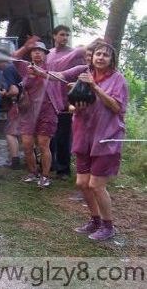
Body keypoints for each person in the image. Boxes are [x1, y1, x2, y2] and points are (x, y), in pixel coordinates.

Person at [34, 42, 128, 240]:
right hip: (84, 136)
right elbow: (72, 106)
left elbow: (117, 107)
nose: (101, 57)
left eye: (106, 55)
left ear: (112, 60)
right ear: (92, 57)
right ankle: (95, 220)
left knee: (96, 184)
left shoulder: (117, 80)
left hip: (106, 138)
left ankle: (109, 226)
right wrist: (75, 107)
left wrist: (94, 87)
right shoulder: (84, 74)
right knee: (83, 183)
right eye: (98, 54)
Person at [13, 41, 60, 187]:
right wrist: (25, 46)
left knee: (43, 145)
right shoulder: (25, 68)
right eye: (34, 51)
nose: (37, 53)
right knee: (27, 145)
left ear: (46, 54)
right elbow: (13, 59)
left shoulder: (51, 68)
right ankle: (32, 173)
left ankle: (45, 176)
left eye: (41, 51)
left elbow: (60, 78)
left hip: (47, 110)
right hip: (28, 111)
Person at [46, 25, 86, 178]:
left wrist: (75, 99)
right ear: (54, 36)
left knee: (64, 136)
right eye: (62, 35)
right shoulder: (48, 54)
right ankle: (50, 164)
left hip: (65, 101)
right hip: (50, 101)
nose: (65, 38)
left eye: (67, 35)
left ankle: (63, 169)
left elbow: (82, 76)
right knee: (50, 135)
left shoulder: (74, 55)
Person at [0, 49, 22, 169]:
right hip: (30, 104)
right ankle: (34, 161)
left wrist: (4, 94)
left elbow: (15, 91)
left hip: (18, 104)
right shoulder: (17, 66)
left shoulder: (8, 69)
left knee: (10, 133)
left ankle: (15, 162)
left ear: (0, 62)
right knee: (27, 133)